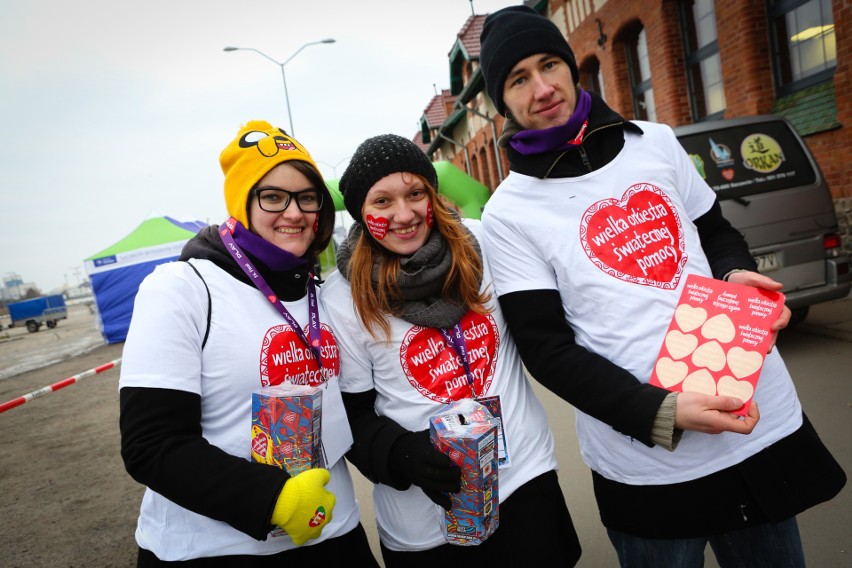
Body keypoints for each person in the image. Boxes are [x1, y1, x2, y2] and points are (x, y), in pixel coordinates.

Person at [477, 6, 846, 568]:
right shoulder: (509, 212)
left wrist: (733, 273)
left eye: (549, 64)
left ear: (572, 67)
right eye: (518, 79)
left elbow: (716, 231)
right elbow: (546, 349)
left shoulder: (654, 142)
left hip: (745, 403)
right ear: (502, 102)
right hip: (647, 456)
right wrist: (658, 410)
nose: (542, 87)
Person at [119, 120, 380, 567]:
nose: (294, 212)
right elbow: (152, 444)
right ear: (242, 204)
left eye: (307, 197)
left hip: (334, 533)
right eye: (273, 196)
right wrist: (273, 499)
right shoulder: (183, 288)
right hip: (216, 549)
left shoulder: (324, 293)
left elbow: (350, 413)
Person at [319, 133, 582, 567]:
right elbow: (351, 415)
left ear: (432, 196)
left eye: (415, 193)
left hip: (524, 483)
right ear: (362, 214)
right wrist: (403, 455)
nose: (404, 215)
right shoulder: (342, 296)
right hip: (428, 518)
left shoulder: (484, 246)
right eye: (382, 202)